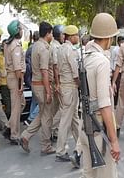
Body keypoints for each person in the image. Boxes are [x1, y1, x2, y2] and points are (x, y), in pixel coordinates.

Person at [81, 13, 120, 177]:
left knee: (88, 174)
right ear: (109, 38)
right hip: (99, 130)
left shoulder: (85, 58)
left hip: (86, 126)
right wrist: (114, 140)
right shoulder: (101, 62)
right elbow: (104, 106)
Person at [20, 21, 55, 154]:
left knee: (41, 114)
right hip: (42, 85)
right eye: (51, 33)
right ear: (47, 33)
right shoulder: (44, 49)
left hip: (36, 84)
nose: (52, 36)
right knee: (46, 117)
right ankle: (46, 146)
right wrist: (48, 92)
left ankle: (26, 136)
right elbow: (45, 71)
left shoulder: (35, 46)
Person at [55, 25, 80, 162]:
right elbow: (75, 72)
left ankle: (80, 144)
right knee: (65, 120)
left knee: (75, 118)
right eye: (76, 35)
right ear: (71, 36)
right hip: (70, 87)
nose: (78, 37)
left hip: (65, 87)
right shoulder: (70, 50)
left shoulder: (60, 49)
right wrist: (80, 85)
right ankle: (60, 151)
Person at [4, 20, 26, 144]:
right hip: (15, 77)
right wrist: (20, 84)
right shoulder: (15, 45)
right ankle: (14, 134)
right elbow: (18, 67)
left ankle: (8, 126)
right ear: (17, 31)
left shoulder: (8, 43)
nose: (22, 31)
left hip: (11, 76)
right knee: (16, 107)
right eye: (21, 29)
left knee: (21, 104)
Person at [50, 25, 64, 142]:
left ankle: (53, 131)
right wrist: (58, 83)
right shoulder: (56, 47)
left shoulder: (55, 46)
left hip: (55, 80)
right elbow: (55, 66)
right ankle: (53, 127)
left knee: (55, 108)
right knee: (63, 106)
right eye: (63, 34)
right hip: (57, 80)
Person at [24, 31, 40, 125]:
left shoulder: (30, 48)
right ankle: (31, 118)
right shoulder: (36, 48)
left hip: (30, 78)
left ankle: (31, 118)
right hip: (35, 78)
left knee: (34, 100)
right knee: (42, 102)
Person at [0, 39, 11, 117]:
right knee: (8, 106)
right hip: (4, 84)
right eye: (3, 45)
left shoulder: (12, 55)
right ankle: (7, 124)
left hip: (12, 83)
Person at [110, 36, 124, 107]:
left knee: (121, 87)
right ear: (118, 42)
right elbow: (112, 59)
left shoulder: (123, 49)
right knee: (116, 87)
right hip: (116, 70)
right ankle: (115, 102)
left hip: (122, 70)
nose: (122, 43)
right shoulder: (115, 50)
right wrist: (112, 70)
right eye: (121, 41)